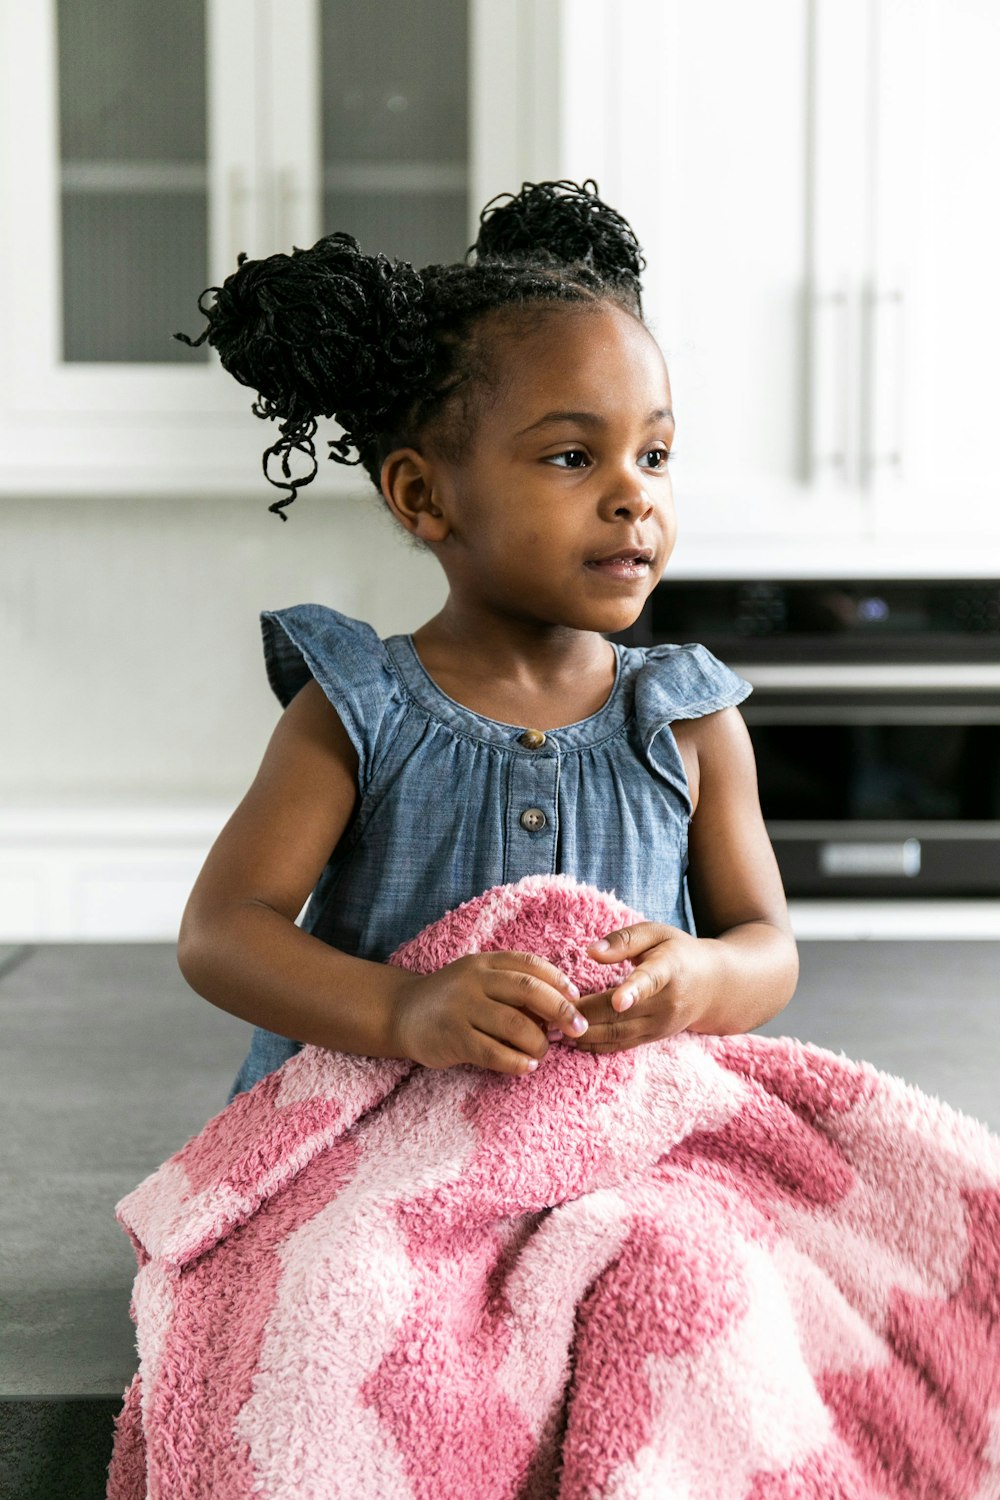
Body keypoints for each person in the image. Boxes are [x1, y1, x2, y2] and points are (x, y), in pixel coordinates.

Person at [175, 179, 799, 1098]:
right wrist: (402, 1010)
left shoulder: (687, 720)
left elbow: (767, 948)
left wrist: (704, 980)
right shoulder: (356, 712)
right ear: (423, 496)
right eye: (572, 457)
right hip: (364, 1140)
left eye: (654, 455)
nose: (635, 494)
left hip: (605, 1141)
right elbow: (223, 933)